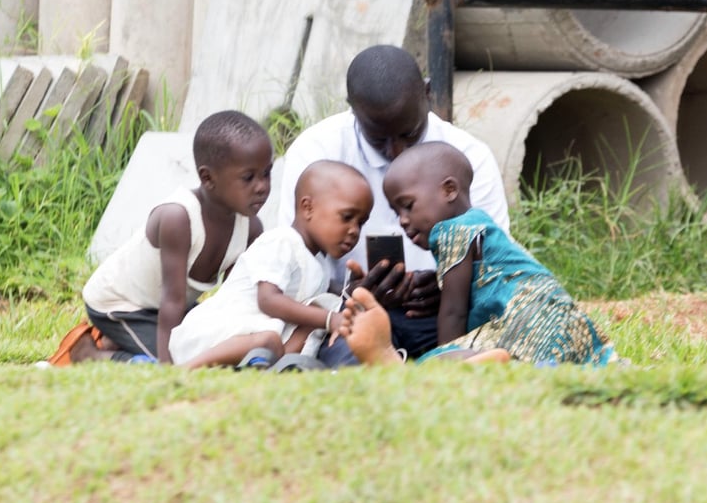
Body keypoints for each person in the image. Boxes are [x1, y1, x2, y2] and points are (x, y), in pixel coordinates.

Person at [278, 44, 509, 362]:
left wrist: (448, 286)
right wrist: (352, 293)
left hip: (444, 315)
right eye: (378, 138)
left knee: (497, 346)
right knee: (343, 361)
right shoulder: (317, 152)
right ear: (352, 109)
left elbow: (495, 266)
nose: (396, 151)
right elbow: (293, 265)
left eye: (409, 133)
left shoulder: (469, 157)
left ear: (427, 93)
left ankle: (432, 366)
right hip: (350, 313)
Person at [47, 110, 272, 366]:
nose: (262, 186)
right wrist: (170, 366)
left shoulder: (251, 229)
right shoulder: (178, 218)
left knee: (213, 346)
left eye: (267, 173)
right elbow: (172, 301)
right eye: (249, 177)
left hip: (165, 308)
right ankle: (90, 354)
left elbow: (233, 299)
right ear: (208, 178)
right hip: (120, 303)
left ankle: (121, 340)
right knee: (186, 356)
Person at [381, 141, 618, 366]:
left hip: (522, 322)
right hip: (561, 319)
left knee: (428, 364)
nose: (402, 220)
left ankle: (482, 365)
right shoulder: (481, 222)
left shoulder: (451, 232)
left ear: (449, 190)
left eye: (408, 205)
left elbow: (453, 312)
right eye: (396, 212)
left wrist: (446, 357)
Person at [168, 160, 373, 368]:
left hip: (261, 342)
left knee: (307, 328)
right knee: (271, 340)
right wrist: (330, 318)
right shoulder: (282, 241)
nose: (354, 230)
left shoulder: (318, 264)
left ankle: (265, 370)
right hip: (218, 333)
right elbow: (267, 300)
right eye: (347, 217)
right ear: (308, 207)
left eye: (361, 222)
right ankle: (187, 369)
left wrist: (353, 295)